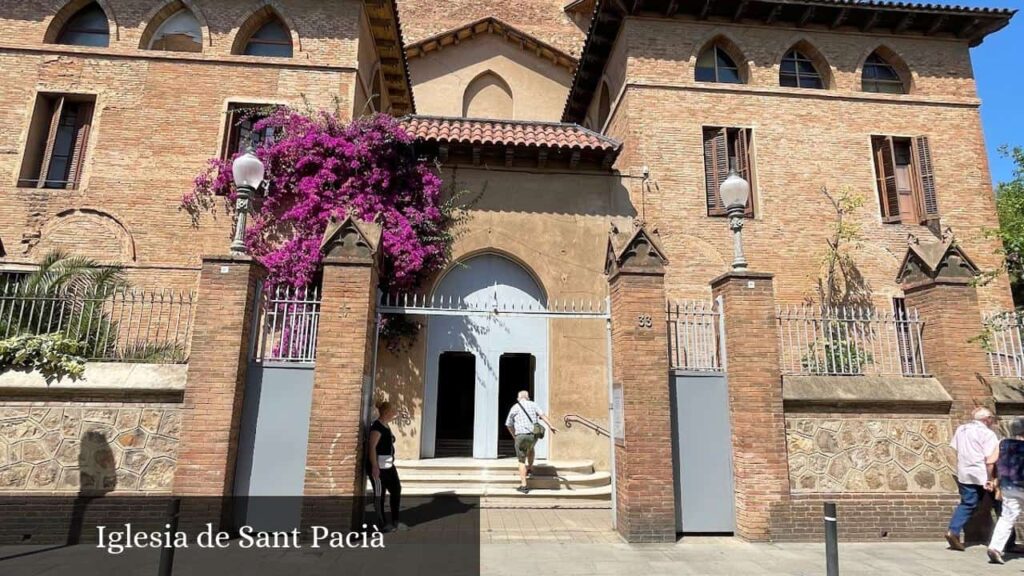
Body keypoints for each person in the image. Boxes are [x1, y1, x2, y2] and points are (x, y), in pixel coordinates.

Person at [947, 407, 1003, 551]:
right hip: (982, 473)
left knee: (967, 502)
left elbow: (955, 448)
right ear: (986, 420)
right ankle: (1006, 542)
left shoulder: (962, 429)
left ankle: (953, 531)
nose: (992, 421)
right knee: (999, 504)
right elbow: (990, 459)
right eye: (991, 418)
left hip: (965, 471)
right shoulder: (987, 434)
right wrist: (992, 479)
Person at [504, 390, 558, 494]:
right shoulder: (533, 404)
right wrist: (550, 425)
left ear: (518, 398)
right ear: (528, 397)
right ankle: (530, 467)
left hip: (521, 435)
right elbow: (542, 415)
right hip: (533, 435)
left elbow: (508, 424)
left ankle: (524, 485)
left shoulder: (515, 407)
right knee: (531, 448)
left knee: (521, 460)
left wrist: (514, 435)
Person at [988, 417, 1024, 564]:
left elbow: (990, 461)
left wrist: (991, 479)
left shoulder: (1002, 443)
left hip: (1008, 486)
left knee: (1007, 517)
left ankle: (995, 548)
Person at [368, 400, 405, 532]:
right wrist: (374, 466)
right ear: (387, 412)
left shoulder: (386, 425)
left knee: (396, 489)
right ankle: (382, 524)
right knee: (380, 495)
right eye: (393, 410)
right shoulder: (377, 427)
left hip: (388, 465)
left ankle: (395, 521)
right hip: (378, 466)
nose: (395, 412)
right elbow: (372, 447)